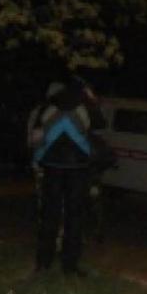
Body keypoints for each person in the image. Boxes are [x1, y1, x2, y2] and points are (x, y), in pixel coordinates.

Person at [30, 75, 105, 276]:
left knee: (49, 215)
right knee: (75, 217)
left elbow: (37, 133)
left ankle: (43, 262)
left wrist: (39, 156)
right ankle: (69, 265)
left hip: (52, 166)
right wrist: (93, 100)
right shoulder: (84, 105)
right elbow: (100, 124)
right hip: (78, 167)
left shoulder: (50, 105)